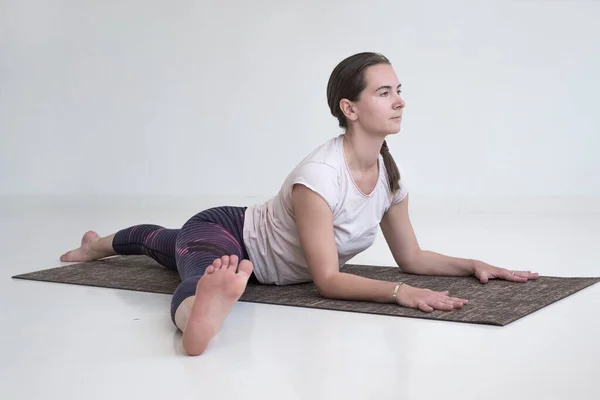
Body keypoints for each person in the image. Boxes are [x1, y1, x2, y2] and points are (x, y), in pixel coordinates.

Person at [59, 52, 539, 356]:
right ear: (349, 109)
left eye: (400, 91)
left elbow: (411, 258)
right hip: (228, 234)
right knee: (191, 264)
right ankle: (194, 322)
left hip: (253, 254)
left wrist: (473, 264)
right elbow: (327, 280)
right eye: (385, 92)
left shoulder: (391, 176)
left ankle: (94, 245)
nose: (400, 102)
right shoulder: (320, 177)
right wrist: (399, 294)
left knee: (158, 241)